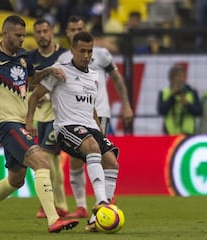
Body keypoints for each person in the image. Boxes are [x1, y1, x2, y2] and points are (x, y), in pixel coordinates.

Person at [0, 15, 78, 233]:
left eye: (23, 35)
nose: (22, 39)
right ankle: (54, 220)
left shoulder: (23, 57)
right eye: (18, 35)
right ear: (5, 33)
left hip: (20, 122)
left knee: (16, 180)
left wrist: (48, 71)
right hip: (5, 122)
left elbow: (31, 80)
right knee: (42, 162)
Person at [26, 30, 123, 233]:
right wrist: (29, 122)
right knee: (93, 148)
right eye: (82, 51)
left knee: (112, 160)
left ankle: (96, 219)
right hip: (66, 128)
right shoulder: (59, 71)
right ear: (72, 51)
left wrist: (98, 129)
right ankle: (103, 202)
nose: (86, 55)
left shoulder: (94, 76)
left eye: (89, 51)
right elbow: (34, 95)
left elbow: (92, 107)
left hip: (90, 126)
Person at [57, 15, 133, 220]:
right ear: (68, 35)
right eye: (72, 30)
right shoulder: (62, 60)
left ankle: (104, 200)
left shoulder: (101, 55)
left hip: (98, 113)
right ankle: (83, 205)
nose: (76, 32)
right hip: (73, 117)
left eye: (79, 28)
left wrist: (126, 103)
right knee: (77, 158)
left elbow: (117, 79)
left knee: (99, 154)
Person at [27, 18, 69, 219]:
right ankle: (56, 204)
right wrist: (37, 92)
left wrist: (49, 94)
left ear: (52, 32)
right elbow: (26, 83)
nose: (42, 35)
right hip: (39, 117)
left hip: (58, 114)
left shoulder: (63, 55)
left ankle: (55, 204)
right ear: (34, 35)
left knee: (48, 159)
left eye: (45, 31)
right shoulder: (30, 58)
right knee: (51, 160)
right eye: (38, 32)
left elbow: (69, 82)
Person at [157, 64, 202, 135]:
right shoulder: (164, 92)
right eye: (178, 76)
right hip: (169, 134)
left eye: (183, 77)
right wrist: (172, 96)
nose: (181, 79)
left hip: (188, 134)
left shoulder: (192, 92)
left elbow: (199, 111)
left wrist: (187, 105)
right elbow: (161, 111)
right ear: (171, 79)